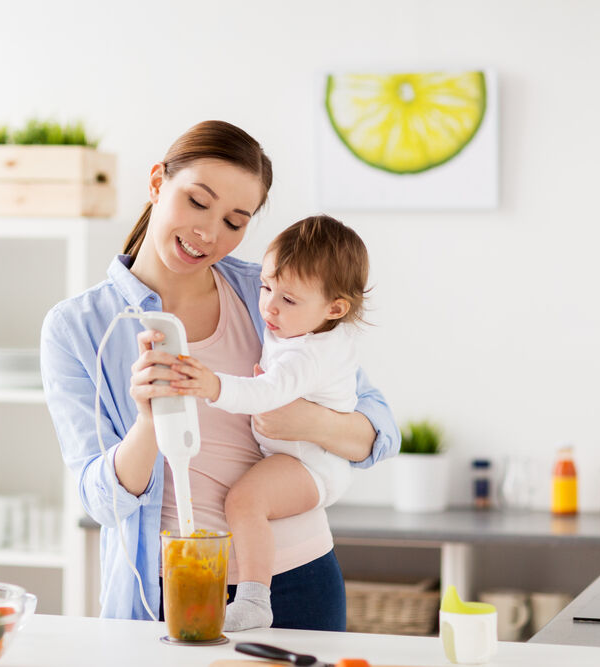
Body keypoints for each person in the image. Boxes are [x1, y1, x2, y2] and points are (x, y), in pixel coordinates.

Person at [40, 120, 399, 631]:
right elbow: (101, 501)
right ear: (157, 183)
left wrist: (302, 421)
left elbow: (380, 430)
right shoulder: (79, 328)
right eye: (196, 201)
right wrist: (149, 423)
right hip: (169, 586)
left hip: (296, 576)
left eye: (235, 221)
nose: (209, 234)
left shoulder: (271, 294)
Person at [169, 214, 370, 631]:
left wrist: (211, 384)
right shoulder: (302, 324)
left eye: (288, 300)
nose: (269, 307)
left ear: (335, 308)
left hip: (311, 466)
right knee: (246, 502)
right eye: (264, 287)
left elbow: (267, 394)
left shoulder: (310, 354)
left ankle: (256, 599)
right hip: (301, 459)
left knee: (244, 503)